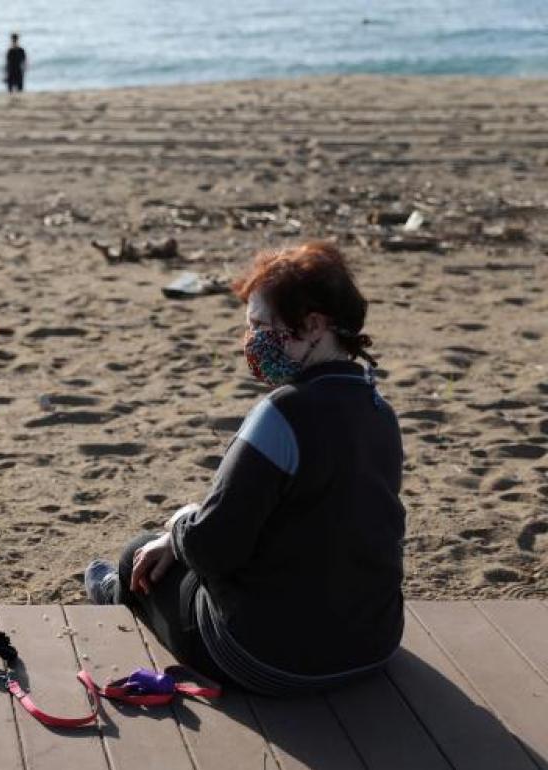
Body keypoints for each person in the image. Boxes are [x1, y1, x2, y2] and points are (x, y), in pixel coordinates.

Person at [85, 241, 405, 696]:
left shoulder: (282, 414)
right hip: (374, 644)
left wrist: (178, 527)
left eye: (260, 326)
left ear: (314, 325)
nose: (251, 340)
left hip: (268, 658)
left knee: (138, 553)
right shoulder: (379, 410)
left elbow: (214, 550)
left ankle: (120, 593)